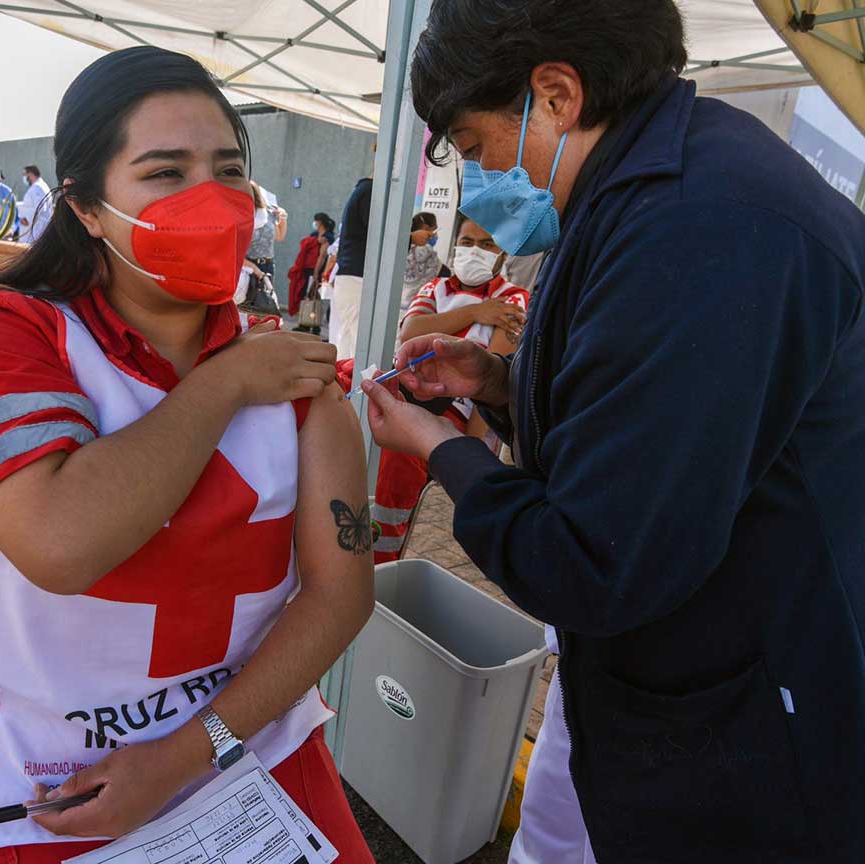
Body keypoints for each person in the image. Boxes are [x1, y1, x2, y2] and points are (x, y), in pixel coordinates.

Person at [362, 1, 865, 862]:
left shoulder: (704, 227)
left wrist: (441, 450)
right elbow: (651, 418)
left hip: (756, 722)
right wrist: (506, 388)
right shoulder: (652, 189)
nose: (484, 177)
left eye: (480, 149)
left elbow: (592, 561)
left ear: (555, 94)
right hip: (691, 675)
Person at [0, 45, 375, 864]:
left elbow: (340, 593)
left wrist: (185, 754)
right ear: (87, 208)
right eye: (165, 172)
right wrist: (225, 385)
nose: (213, 198)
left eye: (229, 168)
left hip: (246, 739)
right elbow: (62, 542)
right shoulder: (5, 330)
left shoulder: (301, 382)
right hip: (52, 763)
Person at [371, 216, 527, 563]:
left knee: (403, 452)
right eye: (467, 242)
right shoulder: (436, 288)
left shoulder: (513, 298)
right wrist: (478, 312)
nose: (474, 251)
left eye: (486, 244)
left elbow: (495, 372)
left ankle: (383, 558)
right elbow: (411, 331)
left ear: (504, 254)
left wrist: (468, 451)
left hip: (463, 413)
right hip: (413, 394)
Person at [331, 164, 373, 358]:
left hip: (350, 277)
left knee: (347, 341)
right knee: (360, 344)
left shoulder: (362, 190)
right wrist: (412, 238)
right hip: (357, 277)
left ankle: (345, 386)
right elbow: (379, 235)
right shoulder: (370, 192)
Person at [286, 212, 332, 321]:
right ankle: (307, 322)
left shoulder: (327, 237)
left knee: (313, 295)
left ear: (319, 222)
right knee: (308, 295)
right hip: (308, 270)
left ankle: (311, 323)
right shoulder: (315, 234)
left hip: (316, 271)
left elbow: (322, 257)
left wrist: (316, 273)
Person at [244, 180, 287, 280]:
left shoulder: (268, 213)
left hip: (268, 265)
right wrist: (256, 271)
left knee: (266, 296)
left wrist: (283, 218)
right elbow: (235, 254)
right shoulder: (242, 217)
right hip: (249, 267)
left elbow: (280, 236)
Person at [401, 211, 441, 316]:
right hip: (414, 312)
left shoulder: (399, 247)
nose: (436, 235)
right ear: (426, 228)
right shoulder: (428, 252)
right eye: (435, 230)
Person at [20, 164, 53, 244]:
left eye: (25, 175)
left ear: (30, 174)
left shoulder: (37, 188)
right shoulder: (40, 186)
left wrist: (27, 219)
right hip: (35, 229)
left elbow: (40, 207)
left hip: (34, 230)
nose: (24, 178)